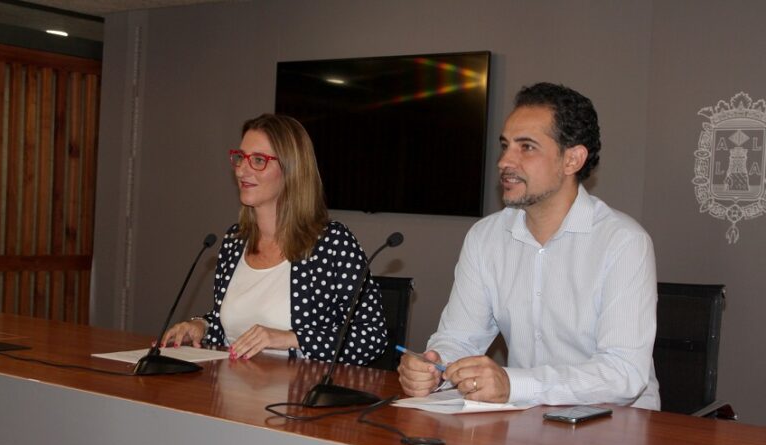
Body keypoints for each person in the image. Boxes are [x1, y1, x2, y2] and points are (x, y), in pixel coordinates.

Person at [398, 82, 660, 409]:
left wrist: (513, 384)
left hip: (616, 429)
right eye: (505, 145)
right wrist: (433, 367)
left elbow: (623, 373)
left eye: (527, 147)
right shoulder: (486, 238)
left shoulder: (623, 242)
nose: (505, 161)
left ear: (572, 159)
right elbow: (460, 338)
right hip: (524, 422)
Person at [161, 114, 387, 365]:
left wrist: (291, 338)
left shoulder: (332, 243)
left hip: (296, 399)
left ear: (291, 171)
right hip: (229, 394)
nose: (241, 169)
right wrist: (200, 326)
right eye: (240, 157)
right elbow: (230, 328)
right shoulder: (235, 241)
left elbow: (371, 338)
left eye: (258, 160)